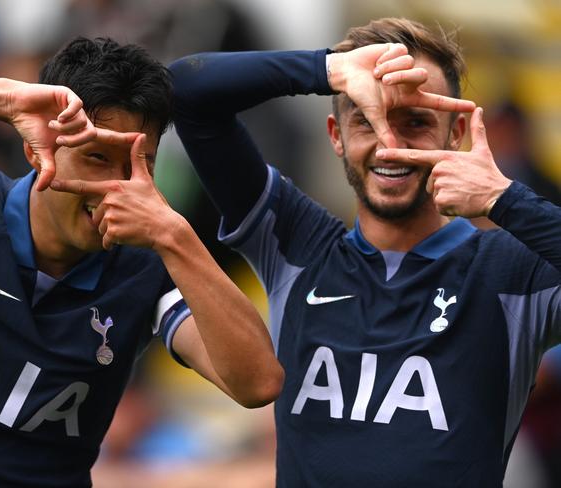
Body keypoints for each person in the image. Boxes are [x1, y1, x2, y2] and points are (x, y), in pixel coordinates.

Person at [170, 17, 561, 487]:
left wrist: (504, 198)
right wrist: (326, 69)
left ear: (456, 134)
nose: (390, 145)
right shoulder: (298, 241)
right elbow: (184, 89)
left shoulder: (511, 270)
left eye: (415, 122)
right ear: (336, 135)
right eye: (366, 119)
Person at [0, 37, 283, 487]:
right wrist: (5, 99)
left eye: (139, 163)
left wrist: (175, 235)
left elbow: (257, 383)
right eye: (97, 158)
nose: (117, 187)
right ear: (38, 147)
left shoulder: (147, 268)